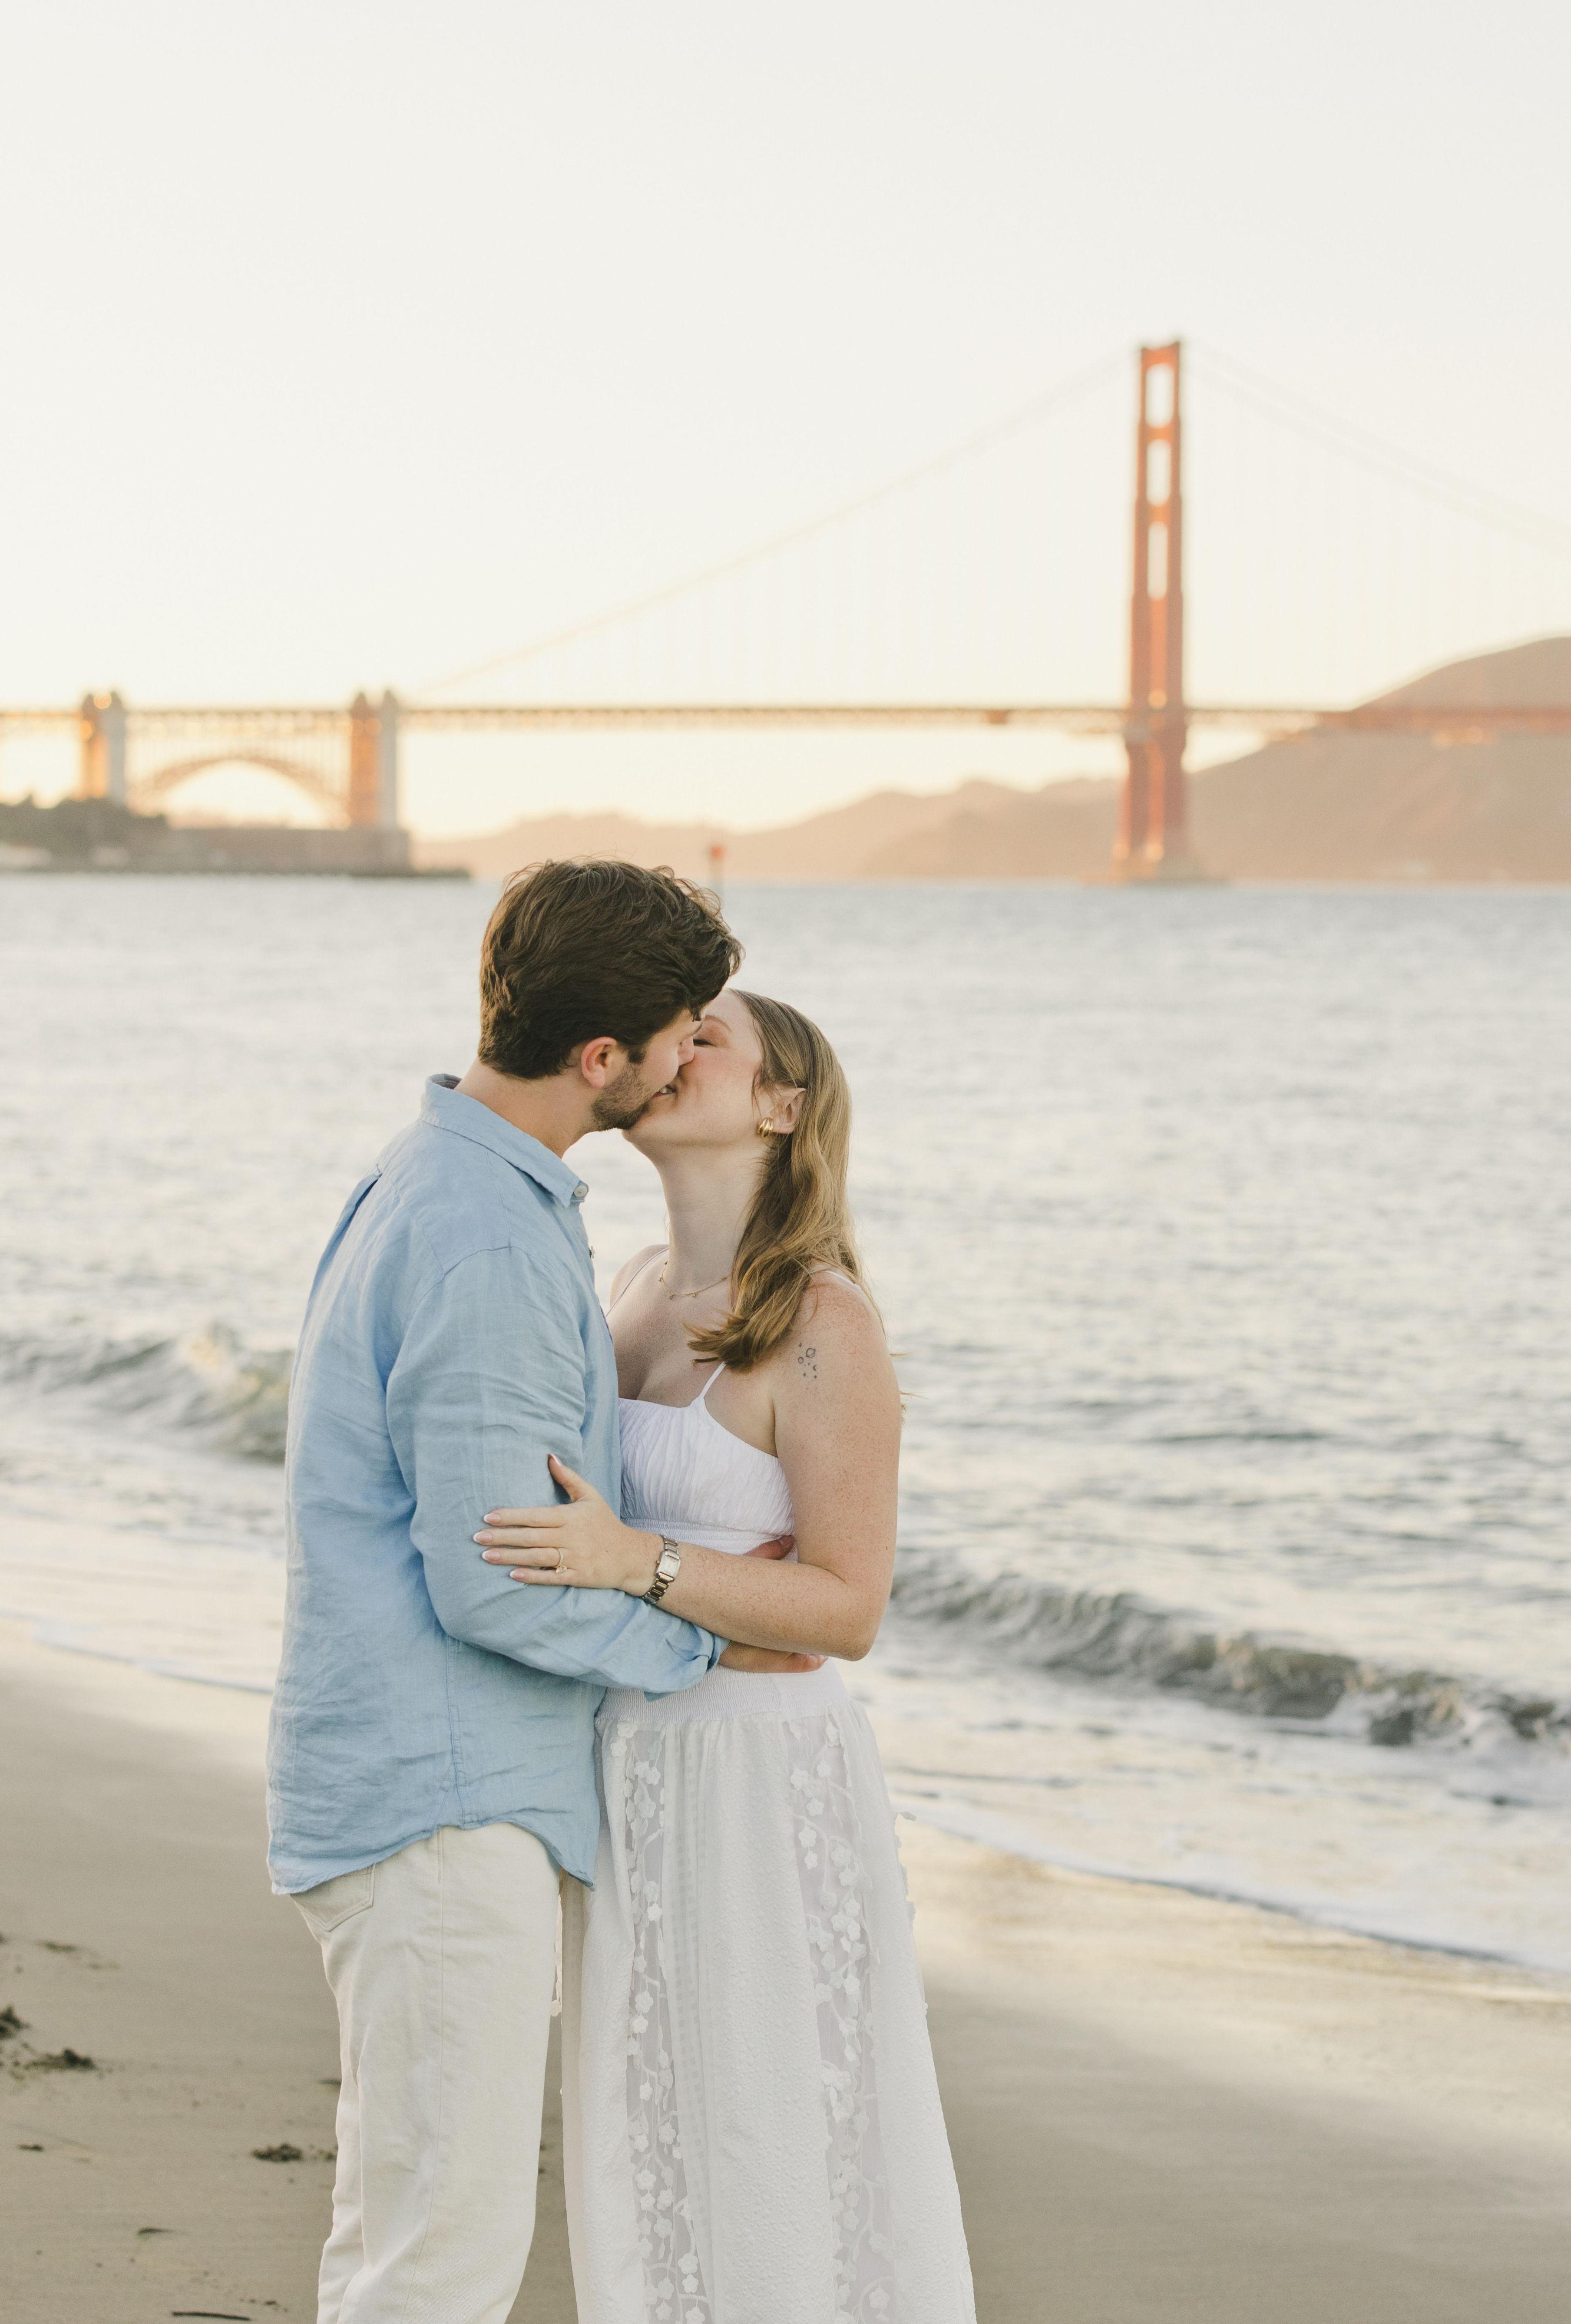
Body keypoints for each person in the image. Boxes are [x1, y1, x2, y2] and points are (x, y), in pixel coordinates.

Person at [268, 861, 814, 2324]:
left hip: (396, 1776)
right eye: (680, 1032)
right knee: (438, 2264)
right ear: (602, 1061)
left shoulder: (425, 1172)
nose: (691, 1054)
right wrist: (705, 1642)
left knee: (395, 2241)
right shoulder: (498, 1237)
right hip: (446, 1801)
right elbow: (496, 1581)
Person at [475, 986, 977, 2324]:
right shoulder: (633, 1288)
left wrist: (638, 1566)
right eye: (672, 1032)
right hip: (626, 1760)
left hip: (756, 1784)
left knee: (759, 2128)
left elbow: (849, 1605)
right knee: (643, 2124)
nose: (675, 1050)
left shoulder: (820, 1322)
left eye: (712, 1040)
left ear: (779, 1104)